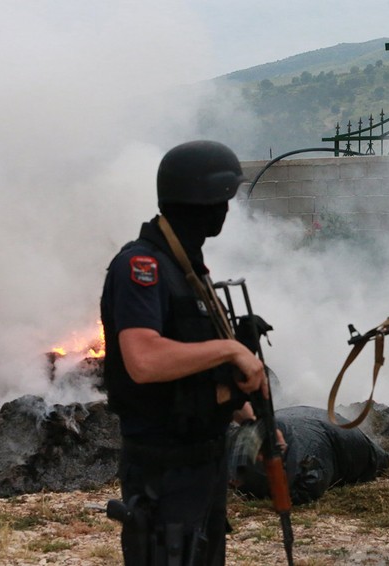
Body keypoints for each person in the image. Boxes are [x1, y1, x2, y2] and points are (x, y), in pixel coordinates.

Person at [100, 140, 269, 566]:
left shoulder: (188, 270)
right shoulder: (143, 266)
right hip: (163, 465)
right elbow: (144, 360)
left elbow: (195, 366)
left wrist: (253, 422)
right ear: (203, 201)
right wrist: (231, 349)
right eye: (223, 200)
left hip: (201, 458)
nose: (226, 211)